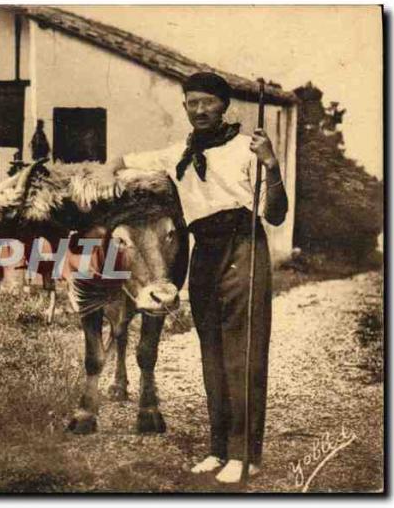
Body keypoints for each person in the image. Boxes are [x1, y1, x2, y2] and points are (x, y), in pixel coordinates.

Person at [122, 72, 288, 484]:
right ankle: (218, 449)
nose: (199, 110)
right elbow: (121, 164)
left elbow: (276, 213)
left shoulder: (248, 148)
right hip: (204, 252)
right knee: (211, 352)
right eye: (192, 103)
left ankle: (245, 454)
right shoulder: (177, 151)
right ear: (185, 107)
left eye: (208, 103)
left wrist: (271, 163)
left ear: (223, 106)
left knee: (242, 351)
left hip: (243, 245)